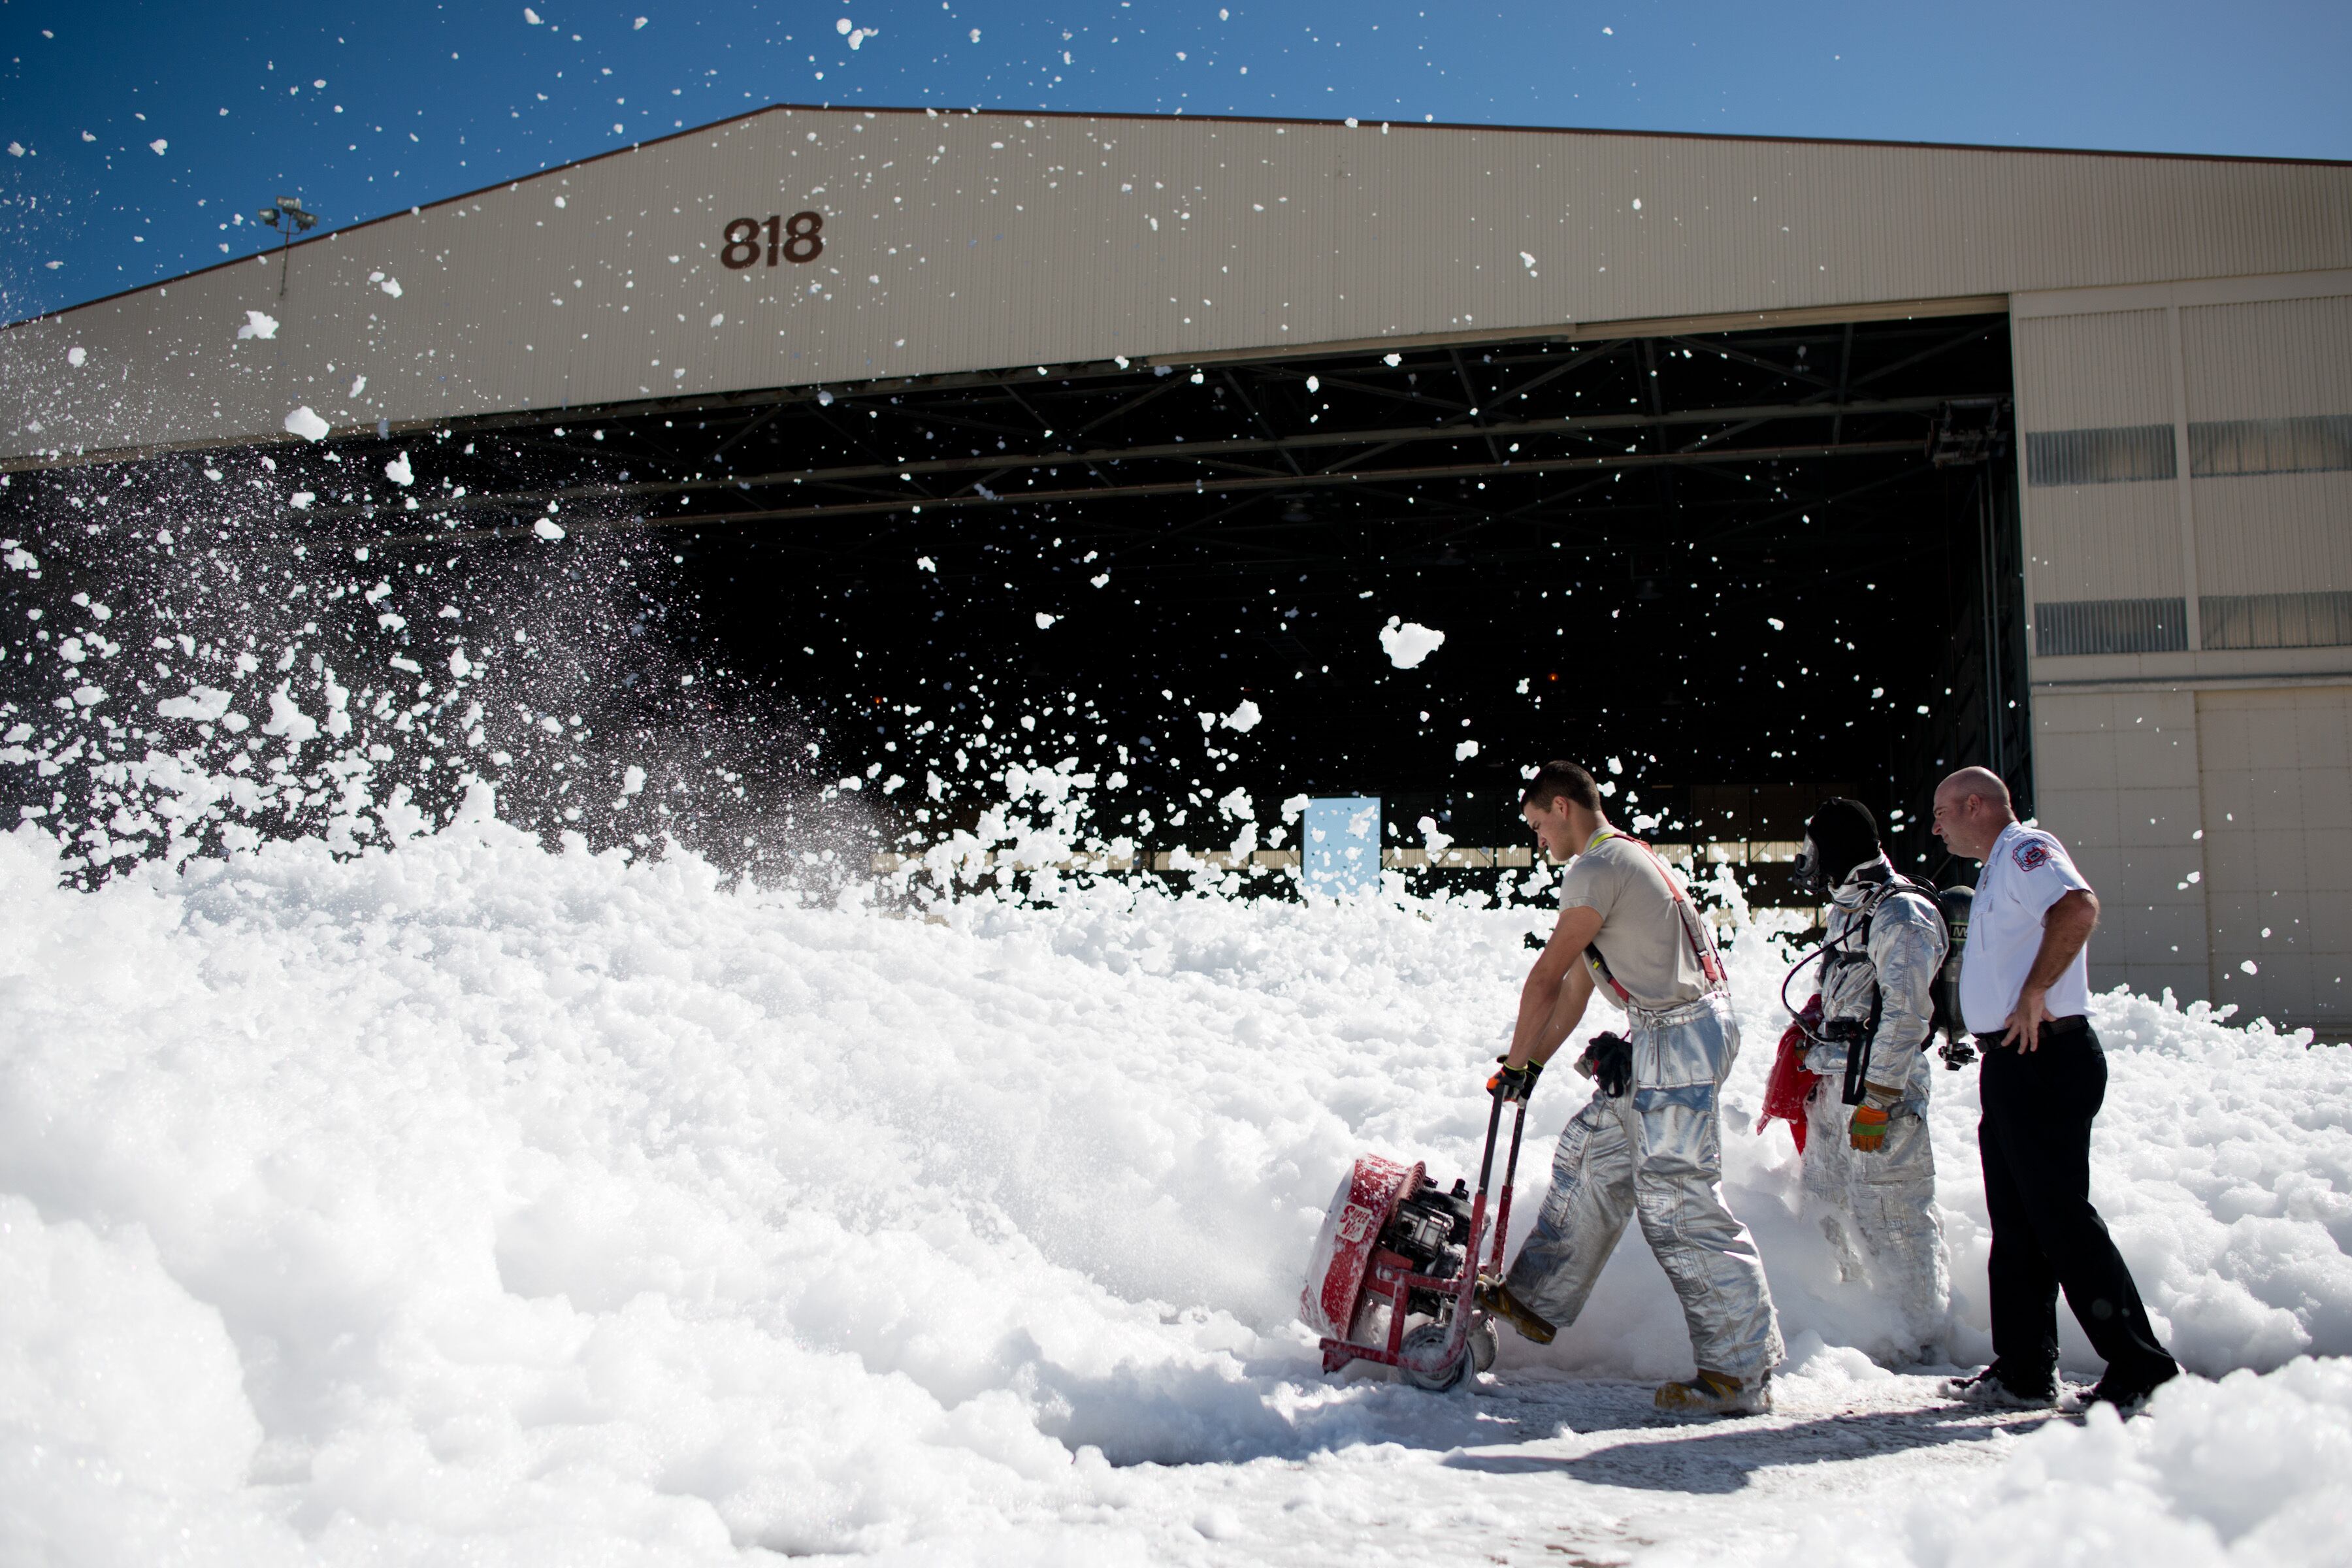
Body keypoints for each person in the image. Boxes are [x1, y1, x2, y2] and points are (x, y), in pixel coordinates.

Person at [1478, 760, 1783, 1415]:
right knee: (1592, 1152)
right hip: (1668, 1029)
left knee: (1678, 1201)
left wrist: (1512, 1061)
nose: (1538, 841)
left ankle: (1739, 1373)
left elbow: (1545, 979)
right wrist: (1530, 1066)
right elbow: (1577, 993)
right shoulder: (1624, 861)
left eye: (1537, 826)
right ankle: (1536, 1298)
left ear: (1562, 807)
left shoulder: (1593, 868)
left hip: (1679, 1031)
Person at [1929, 766, 2180, 1413]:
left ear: (1976, 804)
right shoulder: (1996, 870)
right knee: (2019, 1225)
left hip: (2046, 1051)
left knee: (2061, 1220)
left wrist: (2036, 991)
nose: (1935, 827)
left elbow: (2077, 907)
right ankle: (2024, 1370)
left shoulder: (2026, 851)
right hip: (2014, 1059)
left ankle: (2141, 1366)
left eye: (1942, 813)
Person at [1790, 798, 1951, 1362]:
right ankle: (1854, 1331)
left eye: (1813, 852)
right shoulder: (1849, 909)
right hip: (1836, 1084)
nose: (1808, 865)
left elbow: (1907, 1014)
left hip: (1880, 1091)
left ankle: (1919, 1341)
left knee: (1893, 1213)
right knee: (1826, 1206)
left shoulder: (1900, 913)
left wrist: (1879, 1099)